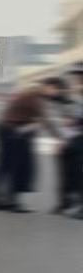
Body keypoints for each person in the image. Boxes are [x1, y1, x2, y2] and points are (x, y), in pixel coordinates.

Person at [0, 74, 66, 212]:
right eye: (56, 90)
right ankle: (11, 202)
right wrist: (59, 138)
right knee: (15, 166)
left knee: (5, 166)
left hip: (7, 129)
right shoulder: (35, 96)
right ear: (49, 87)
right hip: (10, 130)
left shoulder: (33, 92)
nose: (56, 94)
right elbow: (45, 119)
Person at [53, 66, 83, 217]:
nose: (75, 80)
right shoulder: (72, 97)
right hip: (73, 139)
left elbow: (75, 120)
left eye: (78, 77)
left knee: (78, 174)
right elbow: (68, 121)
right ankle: (66, 204)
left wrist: (74, 121)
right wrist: (62, 140)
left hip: (79, 139)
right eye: (74, 77)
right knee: (68, 173)